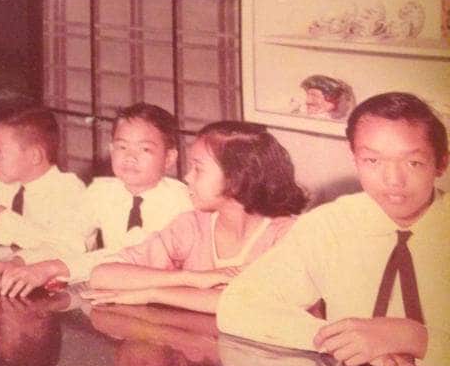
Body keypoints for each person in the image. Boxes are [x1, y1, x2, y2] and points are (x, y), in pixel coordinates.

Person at [218, 92, 449, 366]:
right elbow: (238, 305)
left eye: (413, 162)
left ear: (441, 163)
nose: (393, 179)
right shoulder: (330, 225)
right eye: (372, 160)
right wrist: (343, 342)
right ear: (354, 158)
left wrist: (414, 337)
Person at [86, 121, 308, 314]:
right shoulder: (191, 225)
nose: (187, 177)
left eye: (198, 169)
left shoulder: (286, 234)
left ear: (237, 178)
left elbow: (257, 304)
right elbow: (102, 275)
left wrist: (155, 293)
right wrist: (189, 278)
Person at [0, 103, 192, 296]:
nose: (130, 157)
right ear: (111, 150)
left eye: (145, 149)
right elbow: (67, 240)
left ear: (169, 159)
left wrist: (52, 268)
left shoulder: (181, 202)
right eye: (122, 147)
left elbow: (131, 256)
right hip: (113, 294)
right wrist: (17, 261)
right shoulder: (102, 191)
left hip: (166, 300)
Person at [0, 106, 91, 254]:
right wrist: (22, 237)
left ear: (34, 156)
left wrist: (3, 217)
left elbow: (70, 247)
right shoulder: (3, 186)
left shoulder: (68, 190)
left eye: (1, 151)